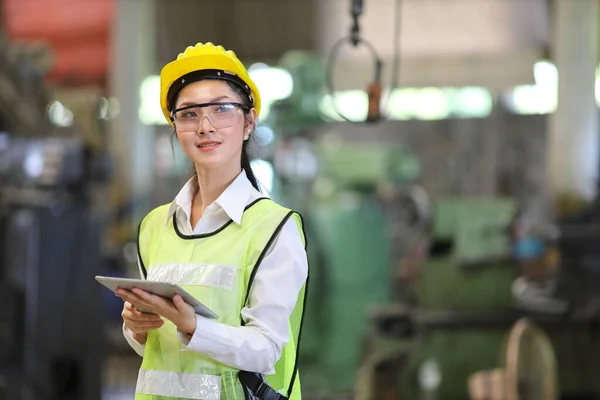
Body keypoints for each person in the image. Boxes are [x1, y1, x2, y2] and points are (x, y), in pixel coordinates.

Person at [115, 42, 309, 400]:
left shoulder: (274, 228)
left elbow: (266, 349)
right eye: (188, 113)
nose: (205, 126)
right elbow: (158, 350)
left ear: (249, 122)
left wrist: (191, 324)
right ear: (174, 126)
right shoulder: (155, 224)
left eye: (221, 109)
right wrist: (138, 328)